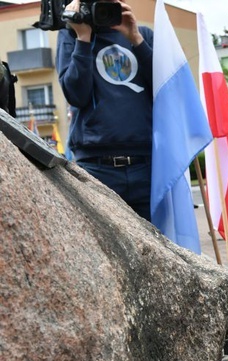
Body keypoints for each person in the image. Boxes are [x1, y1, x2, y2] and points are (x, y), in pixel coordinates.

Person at [56, 0, 154, 221]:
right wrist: (83, 38)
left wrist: (136, 40)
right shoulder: (71, 35)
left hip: (146, 166)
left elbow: (165, 92)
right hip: (96, 168)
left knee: (156, 250)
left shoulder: (143, 35)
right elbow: (76, 95)